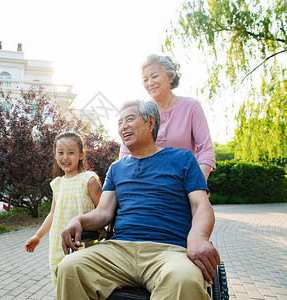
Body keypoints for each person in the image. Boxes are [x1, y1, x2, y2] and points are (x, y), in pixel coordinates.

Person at [57, 101, 220, 300]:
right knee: (70, 267)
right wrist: (79, 221)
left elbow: (201, 205)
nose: (123, 126)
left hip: (169, 250)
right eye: (119, 123)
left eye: (129, 119)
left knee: (184, 278)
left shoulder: (183, 159)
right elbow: (103, 212)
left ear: (151, 123)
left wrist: (199, 237)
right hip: (119, 250)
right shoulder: (116, 168)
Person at [120, 54, 215, 180]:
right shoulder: (139, 112)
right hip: (144, 186)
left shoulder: (191, 107)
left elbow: (206, 151)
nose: (150, 83)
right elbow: (125, 155)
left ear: (170, 77)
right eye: (145, 79)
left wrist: (198, 186)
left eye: (154, 76)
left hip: (183, 186)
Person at [24, 131, 102, 286]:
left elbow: (102, 210)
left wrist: (103, 229)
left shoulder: (89, 180)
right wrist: (38, 236)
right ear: (55, 155)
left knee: (83, 284)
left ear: (81, 155)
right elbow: (53, 214)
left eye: (71, 153)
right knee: (62, 283)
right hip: (58, 243)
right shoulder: (57, 183)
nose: (65, 157)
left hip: (82, 242)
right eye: (61, 153)